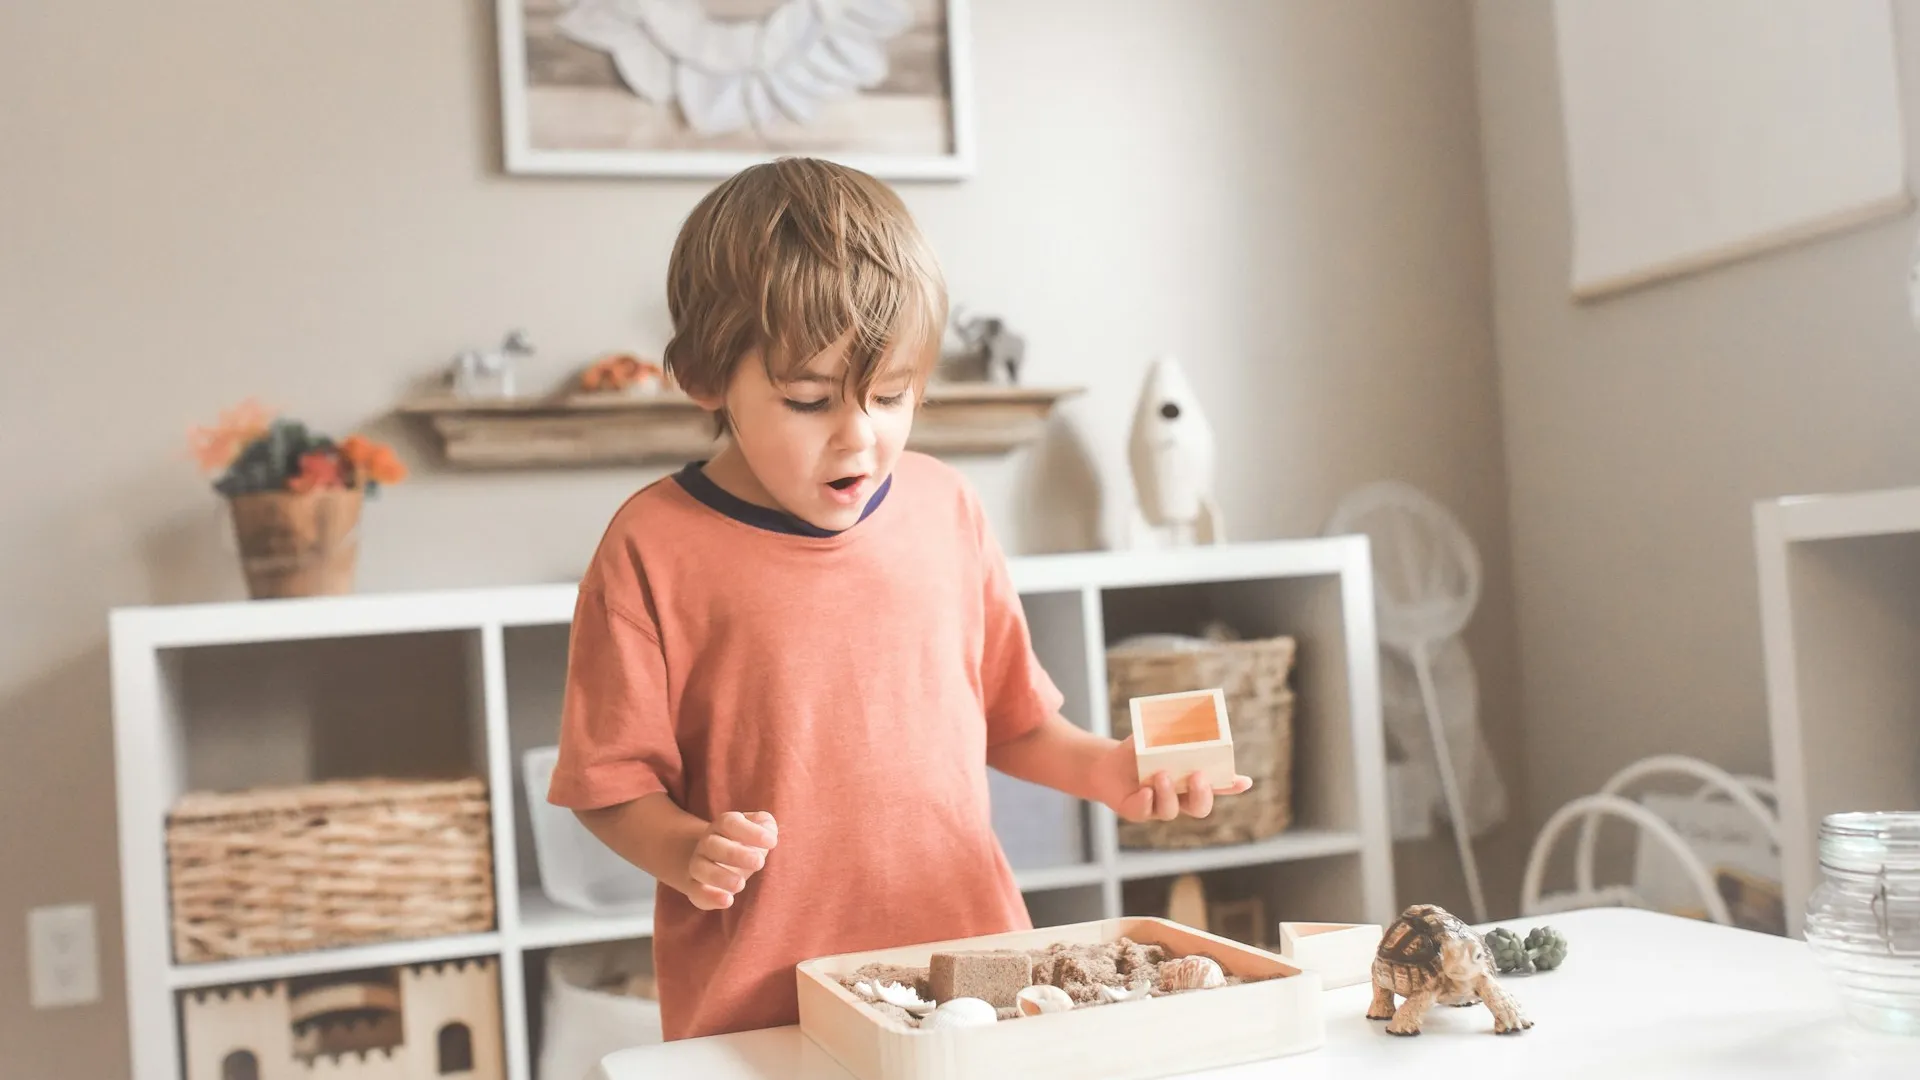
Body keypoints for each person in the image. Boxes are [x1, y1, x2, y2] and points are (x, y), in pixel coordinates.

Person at [546, 156, 1251, 1042]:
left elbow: (1013, 720)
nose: (859, 436)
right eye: (808, 400)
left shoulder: (946, 507)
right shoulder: (650, 547)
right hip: (764, 1004)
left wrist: (1109, 772)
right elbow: (607, 784)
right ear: (705, 377)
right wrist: (685, 851)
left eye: (891, 396)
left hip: (972, 974)